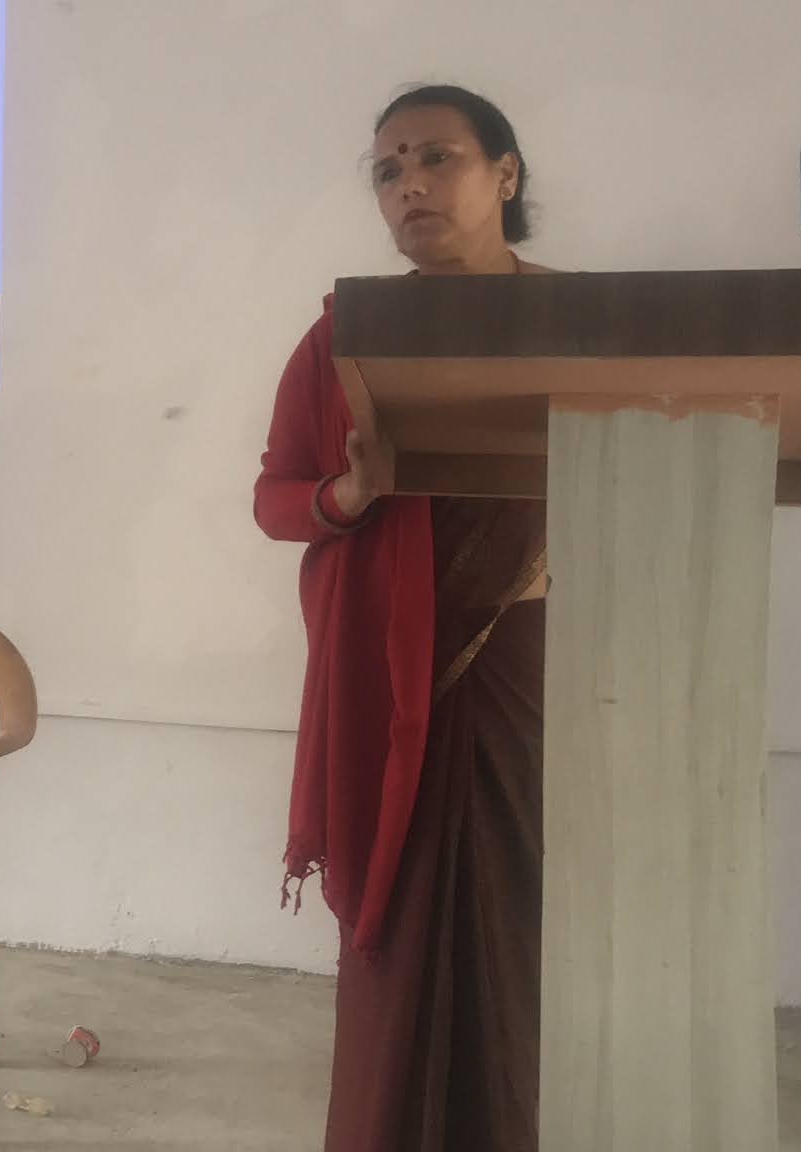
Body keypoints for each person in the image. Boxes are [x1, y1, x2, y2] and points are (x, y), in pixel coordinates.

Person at [253, 84, 549, 1152]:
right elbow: (276, 495)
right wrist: (347, 496)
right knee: (402, 924)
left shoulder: (587, 325)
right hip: (392, 677)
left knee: (521, 923)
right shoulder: (349, 334)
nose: (409, 185)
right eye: (387, 170)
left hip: (534, 665)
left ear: (503, 175)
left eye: (436, 158)